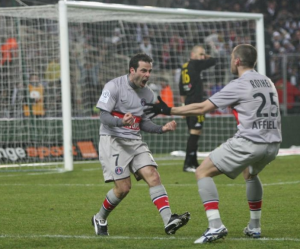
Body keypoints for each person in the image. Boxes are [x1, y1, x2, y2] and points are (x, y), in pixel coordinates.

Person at [145, 44, 282, 244]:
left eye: (231, 58)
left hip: (251, 141)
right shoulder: (267, 81)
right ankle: (254, 226)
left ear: (236, 61)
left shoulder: (240, 84)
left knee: (202, 172)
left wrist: (168, 110)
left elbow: (202, 107)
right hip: (273, 143)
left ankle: (215, 225)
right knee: (250, 173)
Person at [93, 53, 190, 236]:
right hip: (113, 140)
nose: (147, 75)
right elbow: (103, 116)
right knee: (123, 188)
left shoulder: (148, 93)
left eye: (149, 71)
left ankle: (168, 220)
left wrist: (162, 128)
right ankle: (100, 217)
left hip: (135, 140)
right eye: (143, 71)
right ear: (132, 70)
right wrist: (121, 122)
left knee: (153, 175)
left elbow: (143, 122)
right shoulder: (113, 86)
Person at [179, 45, 216, 172]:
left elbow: (181, 89)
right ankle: (188, 164)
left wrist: (183, 106)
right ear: (192, 54)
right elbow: (214, 61)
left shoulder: (184, 67)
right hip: (197, 103)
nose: (202, 57)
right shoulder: (195, 64)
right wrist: (207, 57)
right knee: (195, 132)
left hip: (189, 102)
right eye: (200, 54)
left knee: (194, 133)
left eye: (203, 54)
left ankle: (194, 162)